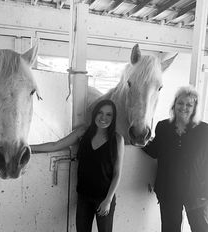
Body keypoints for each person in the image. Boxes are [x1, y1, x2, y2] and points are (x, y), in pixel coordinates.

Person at [30, 99, 124, 232]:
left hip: (104, 198)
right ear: (95, 114)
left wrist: (108, 200)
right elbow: (56, 145)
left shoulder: (117, 139)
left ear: (113, 118)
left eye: (109, 114)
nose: (103, 118)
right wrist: (28, 147)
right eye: (100, 113)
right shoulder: (83, 132)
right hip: (84, 196)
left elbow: (117, 173)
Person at [142, 86, 208, 232]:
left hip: (196, 191)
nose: (184, 107)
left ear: (195, 108)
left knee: (200, 228)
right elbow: (154, 151)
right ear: (174, 104)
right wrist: (138, 139)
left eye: (189, 104)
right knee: (170, 229)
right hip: (168, 190)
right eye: (180, 103)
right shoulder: (163, 127)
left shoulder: (204, 130)